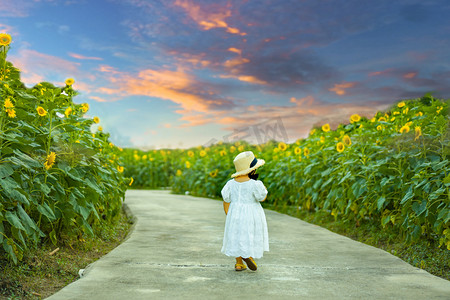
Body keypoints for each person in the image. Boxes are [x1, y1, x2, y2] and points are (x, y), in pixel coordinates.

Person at [221, 151, 269, 271]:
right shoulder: (255, 184)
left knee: (237, 235)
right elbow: (261, 198)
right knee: (249, 234)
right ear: (252, 170)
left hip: (235, 213)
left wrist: (229, 213)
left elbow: (226, 199)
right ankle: (249, 257)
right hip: (251, 214)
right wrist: (264, 190)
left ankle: (238, 263)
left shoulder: (230, 184)